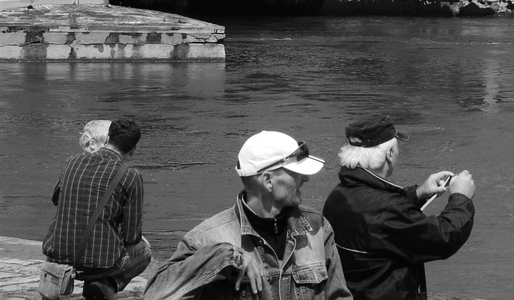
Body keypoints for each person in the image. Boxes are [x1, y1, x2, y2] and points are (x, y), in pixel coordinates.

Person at [144, 130, 350, 300]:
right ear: (268, 180)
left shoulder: (317, 226)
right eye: (296, 173)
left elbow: (339, 296)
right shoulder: (206, 239)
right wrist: (226, 257)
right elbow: (155, 293)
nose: (306, 179)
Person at [321, 114, 475, 300]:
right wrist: (461, 197)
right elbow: (443, 239)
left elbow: (379, 222)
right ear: (389, 154)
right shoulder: (388, 209)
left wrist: (418, 193)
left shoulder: (338, 195)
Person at [43, 119, 150, 300]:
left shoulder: (72, 162)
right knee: (144, 252)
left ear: (107, 138)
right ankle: (107, 284)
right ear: (133, 150)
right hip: (101, 262)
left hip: (58, 253)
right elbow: (132, 236)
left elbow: (57, 199)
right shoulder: (131, 176)